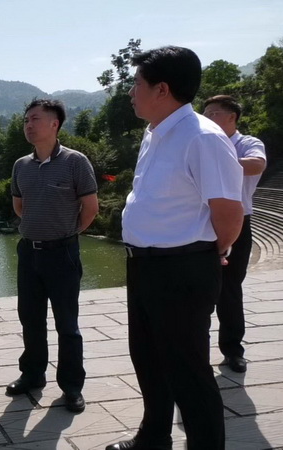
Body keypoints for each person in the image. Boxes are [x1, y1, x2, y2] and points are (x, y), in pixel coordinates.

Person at [107, 47, 243, 450]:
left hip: (182, 269)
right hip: (145, 266)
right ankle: (154, 437)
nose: (131, 91)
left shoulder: (202, 137)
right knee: (148, 358)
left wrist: (205, 253)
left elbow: (229, 213)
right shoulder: (156, 133)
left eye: (136, 83)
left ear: (162, 89)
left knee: (189, 373)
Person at [6, 99, 98, 414]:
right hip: (29, 253)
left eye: (35, 119)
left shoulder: (75, 162)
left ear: (54, 124)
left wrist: (67, 234)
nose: (28, 125)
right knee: (30, 319)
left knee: (67, 324)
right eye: (25, 120)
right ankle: (32, 375)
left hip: (63, 253)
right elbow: (19, 206)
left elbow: (90, 209)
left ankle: (71, 387)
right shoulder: (21, 165)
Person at [203, 95, 267, 373]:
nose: (207, 118)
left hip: (237, 223)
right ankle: (195, 351)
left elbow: (257, 165)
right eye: (205, 114)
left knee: (230, 289)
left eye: (213, 113)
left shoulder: (248, 143)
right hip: (202, 222)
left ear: (232, 117)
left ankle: (232, 350)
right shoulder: (203, 141)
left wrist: (219, 161)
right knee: (199, 289)